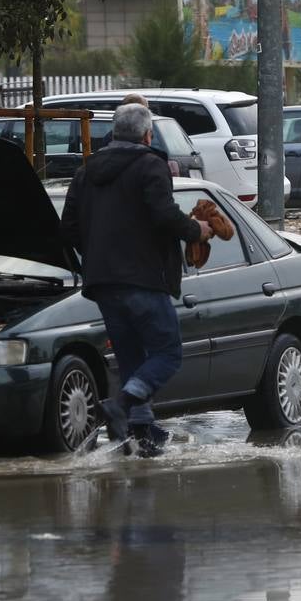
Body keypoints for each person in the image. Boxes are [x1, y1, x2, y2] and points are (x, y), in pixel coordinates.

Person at [60, 103, 213, 457]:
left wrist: (97, 253)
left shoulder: (86, 171)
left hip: (103, 283)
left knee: (132, 357)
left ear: (113, 133)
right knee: (167, 352)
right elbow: (163, 215)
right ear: (147, 135)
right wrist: (197, 230)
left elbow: (67, 228)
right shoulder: (150, 165)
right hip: (143, 278)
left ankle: (138, 433)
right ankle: (121, 406)